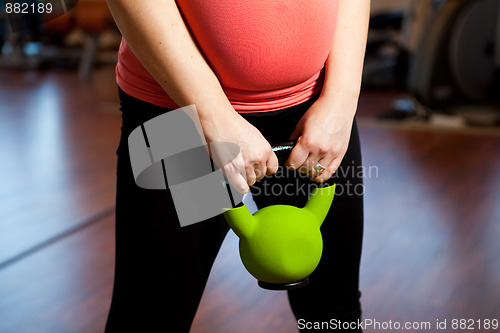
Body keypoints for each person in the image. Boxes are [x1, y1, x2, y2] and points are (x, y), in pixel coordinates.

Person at [104, 0, 369, 332]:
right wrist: (212, 115)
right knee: (151, 319)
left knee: (334, 315)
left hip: (316, 116)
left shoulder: (330, 111)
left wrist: (341, 100)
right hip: (182, 120)